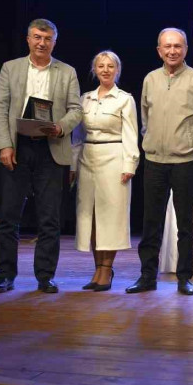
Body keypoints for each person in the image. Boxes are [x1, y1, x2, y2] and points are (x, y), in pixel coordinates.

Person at [0, 18, 83, 293]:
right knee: (8, 216)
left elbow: (76, 110)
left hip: (51, 148)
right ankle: (5, 274)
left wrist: (60, 127)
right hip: (17, 147)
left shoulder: (68, 71)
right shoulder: (11, 68)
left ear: (55, 42)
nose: (42, 43)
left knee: (50, 218)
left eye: (47, 38)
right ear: (28, 39)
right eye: (37, 37)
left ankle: (45, 276)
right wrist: (4, 145)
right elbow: (0, 108)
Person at [125, 28, 193, 296]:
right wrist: (150, 140)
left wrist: (192, 143)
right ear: (159, 50)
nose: (172, 51)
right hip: (154, 162)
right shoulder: (150, 79)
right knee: (151, 222)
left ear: (185, 49)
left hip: (185, 162)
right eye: (167, 46)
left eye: (178, 46)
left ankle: (184, 277)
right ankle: (147, 276)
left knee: (185, 223)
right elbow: (145, 118)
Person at [70, 51, 140, 292]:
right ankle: (96, 269)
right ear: (94, 70)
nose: (106, 70)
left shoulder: (124, 99)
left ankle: (107, 271)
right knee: (90, 217)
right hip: (88, 159)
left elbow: (131, 134)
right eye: (101, 66)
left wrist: (129, 164)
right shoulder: (84, 99)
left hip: (114, 159)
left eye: (111, 66)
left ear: (117, 70)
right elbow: (77, 136)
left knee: (110, 217)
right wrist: (73, 165)